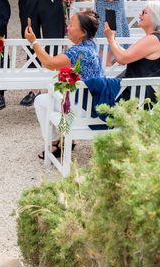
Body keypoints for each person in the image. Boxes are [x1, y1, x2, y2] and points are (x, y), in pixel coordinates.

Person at [26, 10, 104, 158]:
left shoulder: (79, 52)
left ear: (83, 32)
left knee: (41, 100)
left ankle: (56, 142)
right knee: (56, 98)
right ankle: (63, 138)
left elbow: (50, 63)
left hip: (84, 110)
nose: (67, 27)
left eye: (72, 25)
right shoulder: (91, 45)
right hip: (94, 104)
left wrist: (34, 42)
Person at [105, 1, 160, 101]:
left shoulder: (153, 39)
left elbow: (122, 58)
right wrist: (112, 38)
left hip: (142, 97)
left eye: (144, 12)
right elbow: (127, 55)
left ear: (156, 18)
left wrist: (110, 39)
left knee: (93, 88)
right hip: (143, 91)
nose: (140, 14)